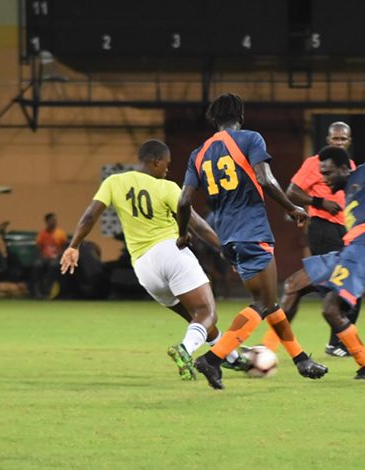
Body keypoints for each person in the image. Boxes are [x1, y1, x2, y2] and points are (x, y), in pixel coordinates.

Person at [176, 92, 329, 390]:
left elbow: (183, 201)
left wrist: (183, 233)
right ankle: (213, 359)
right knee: (264, 302)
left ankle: (301, 361)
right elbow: (266, 179)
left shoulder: (199, 152)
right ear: (240, 115)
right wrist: (292, 208)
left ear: (214, 119)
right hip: (252, 230)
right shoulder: (250, 139)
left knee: (270, 301)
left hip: (227, 237)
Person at [59, 139, 246, 381]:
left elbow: (89, 216)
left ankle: (232, 358)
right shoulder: (167, 187)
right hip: (170, 253)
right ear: (156, 161)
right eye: (166, 165)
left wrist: (73, 246)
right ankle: (185, 350)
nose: (167, 170)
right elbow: (198, 225)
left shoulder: (114, 182)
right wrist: (225, 250)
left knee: (196, 319)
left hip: (144, 269)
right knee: (207, 312)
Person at [275, 146, 365, 380]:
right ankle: (270, 350)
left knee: (331, 309)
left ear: (344, 169)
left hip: (363, 253)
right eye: (322, 173)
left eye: (329, 173)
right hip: (347, 251)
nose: (324, 178)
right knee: (292, 285)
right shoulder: (352, 196)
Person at [261, 121, 359, 357]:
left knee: (347, 287)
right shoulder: (314, 163)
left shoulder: (351, 166)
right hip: (323, 230)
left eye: (343, 139)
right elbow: (291, 191)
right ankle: (338, 343)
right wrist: (319, 203)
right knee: (338, 287)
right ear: (328, 140)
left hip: (344, 232)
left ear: (349, 141)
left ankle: (336, 342)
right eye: (335, 139)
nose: (339, 143)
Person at [32, 212, 68, 299]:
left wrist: (59, 256)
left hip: (56, 258)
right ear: (47, 222)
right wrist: (41, 257)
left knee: (54, 266)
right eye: (52, 220)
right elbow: (38, 248)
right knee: (38, 265)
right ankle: (37, 292)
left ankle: (47, 289)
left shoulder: (61, 234)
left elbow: (64, 248)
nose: (54, 222)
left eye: (55, 220)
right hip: (44, 258)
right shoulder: (42, 234)